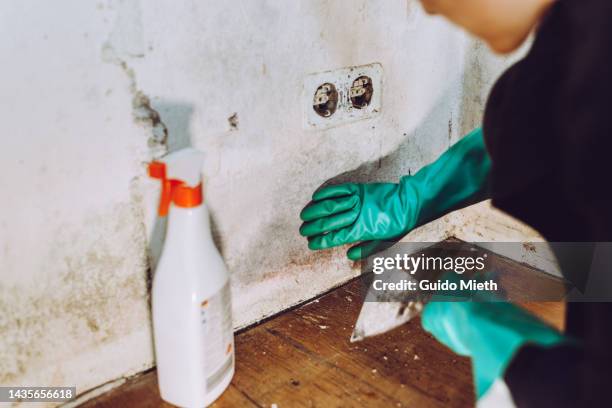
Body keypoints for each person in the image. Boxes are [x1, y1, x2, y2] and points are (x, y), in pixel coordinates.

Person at [299, 0, 612, 406]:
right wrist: (413, 200)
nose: (427, 8)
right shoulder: (583, 36)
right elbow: (534, 123)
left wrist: (494, 332)